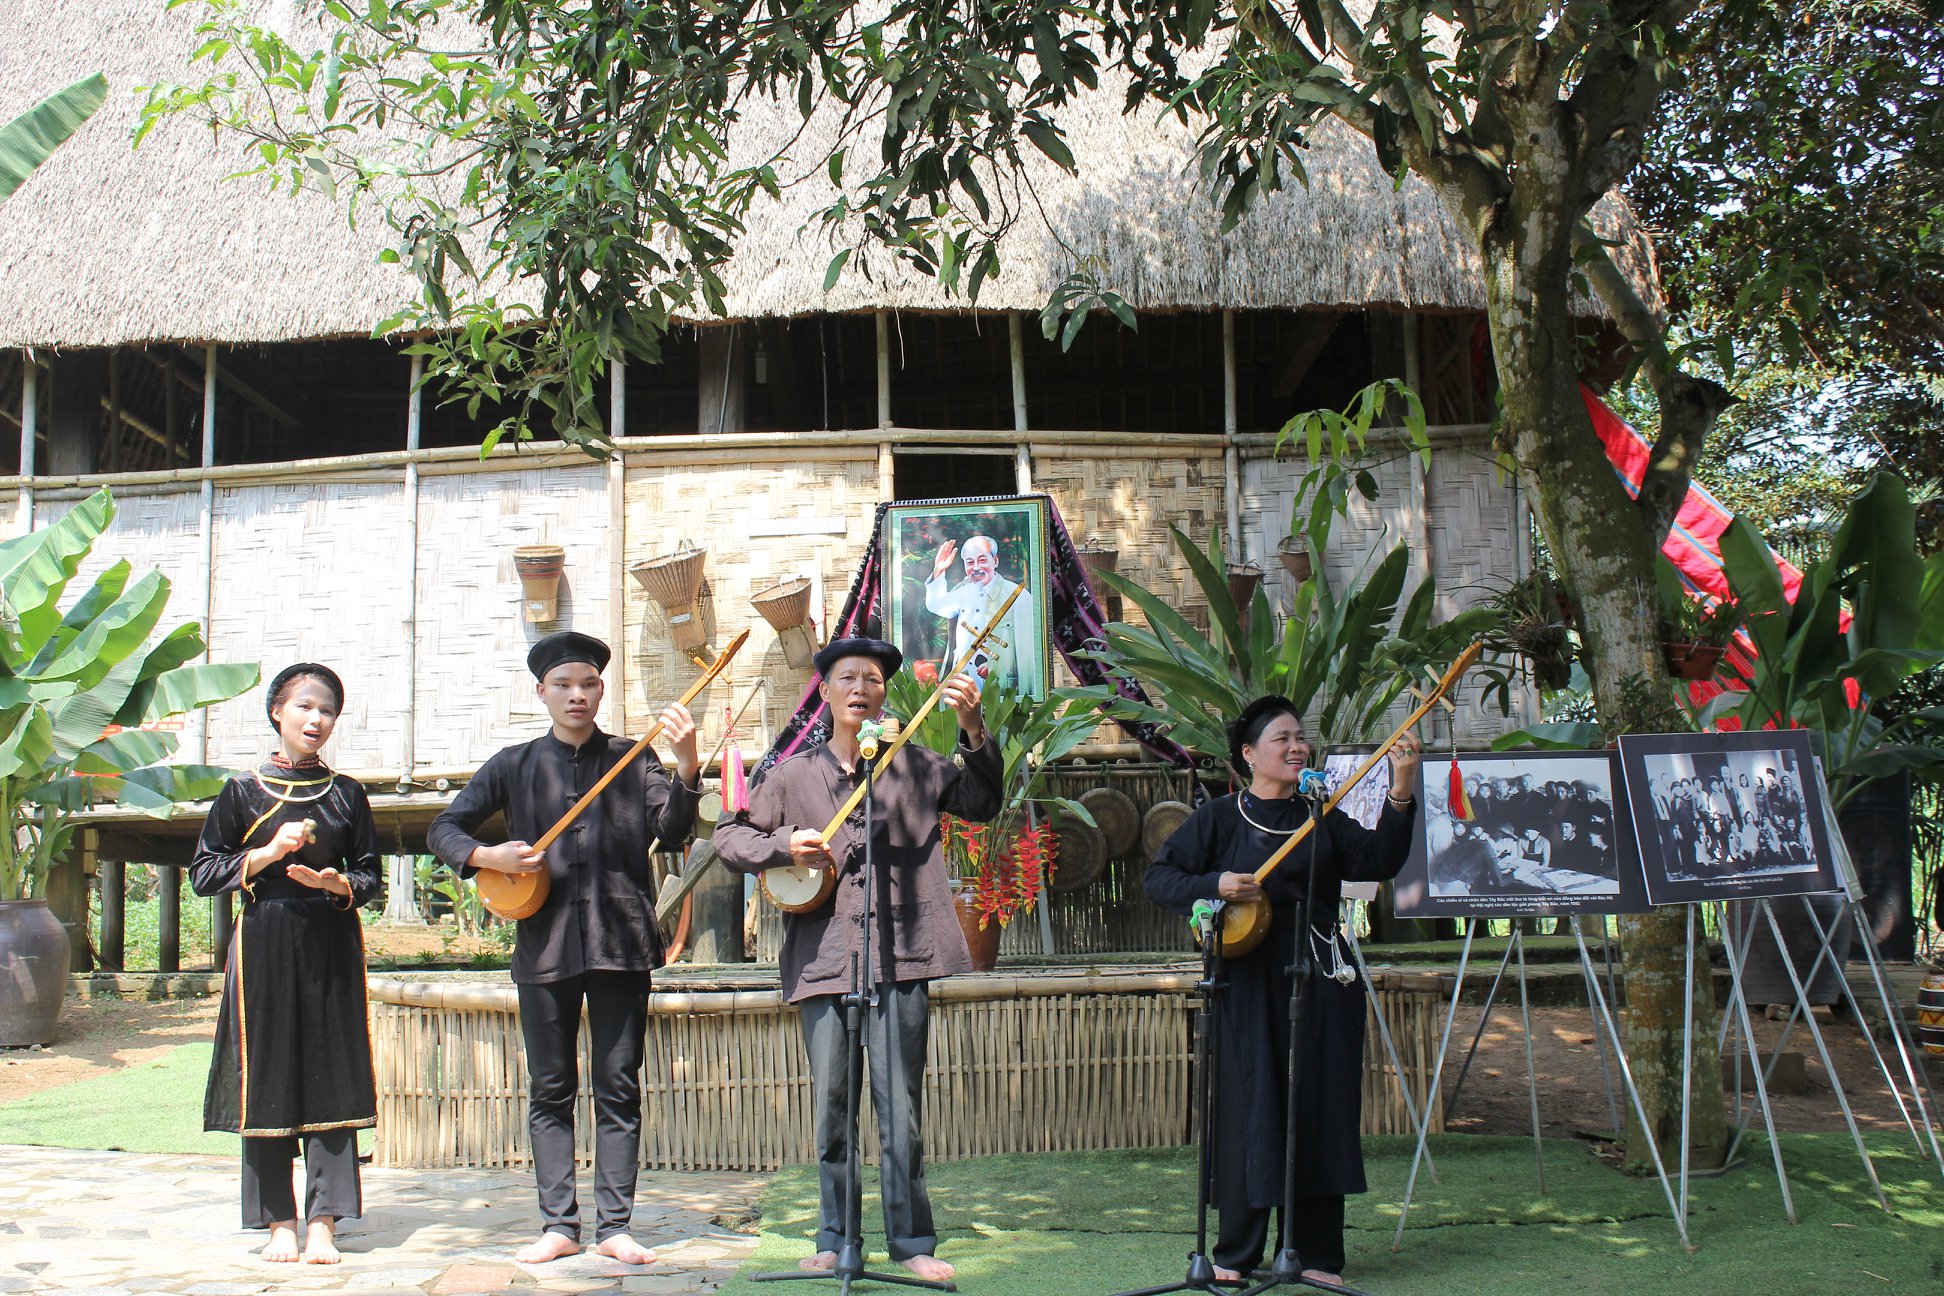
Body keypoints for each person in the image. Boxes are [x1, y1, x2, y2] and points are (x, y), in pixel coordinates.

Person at [715, 636, 1003, 1283]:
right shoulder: (791, 775)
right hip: (824, 959)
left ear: (882, 695)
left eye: (872, 679)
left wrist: (971, 726)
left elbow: (984, 805)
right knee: (834, 1108)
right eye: (847, 677)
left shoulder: (918, 766)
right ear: (825, 691)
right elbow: (730, 835)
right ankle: (836, 1235)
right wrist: (786, 843)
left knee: (901, 1108)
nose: (860, 688)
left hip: (902, 956)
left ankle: (911, 1241)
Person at [427, 631, 700, 1266]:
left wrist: (686, 766)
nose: (577, 695)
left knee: (617, 1084)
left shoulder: (635, 759)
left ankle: (615, 1225)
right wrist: (485, 854)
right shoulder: (514, 764)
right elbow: (445, 826)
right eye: (563, 685)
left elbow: (674, 830)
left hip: (622, 944)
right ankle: (558, 1223)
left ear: (601, 690)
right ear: (542, 693)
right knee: (550, 1086)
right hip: (543, 945)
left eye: (588, 684)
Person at [1144, 695, 1421, 1287]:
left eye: (1302, 737)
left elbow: (1380, 857)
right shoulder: (1219, 819)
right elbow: (1160, 877)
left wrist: (1401, 788)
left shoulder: (1323, 814)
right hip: (1245, 978)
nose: (1298, 746)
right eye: (1282, 738)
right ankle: (1237, 1253)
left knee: (1317, 1103)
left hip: (1318, 973)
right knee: (1250, 1103)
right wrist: (1213, 882)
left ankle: (1316, 1254)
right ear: (1249, 754)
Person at [191, 663, 380, 1266]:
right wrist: (269, 852)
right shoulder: (241, 791)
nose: (316, 719)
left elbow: (369, 875)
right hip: (264, 942)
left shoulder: (348, 794)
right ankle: (278, 1221)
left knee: (331, 1069)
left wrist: (335, 881)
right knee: (267, 1072)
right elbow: (204, 872)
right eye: (304, 707)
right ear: (278, 712)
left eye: (326, 710)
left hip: (330, 940)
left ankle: (324, 1221)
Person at [922, 533, 1043, 697]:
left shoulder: (1018, 597)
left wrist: (996, 667)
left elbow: (1027, 655)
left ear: (995, 561)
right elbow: (936, 606)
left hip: (1002, 689)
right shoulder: (963, 591)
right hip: (965, 687)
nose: (976, 567)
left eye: (982, 560)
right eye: (970, 562)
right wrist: (939, 570)